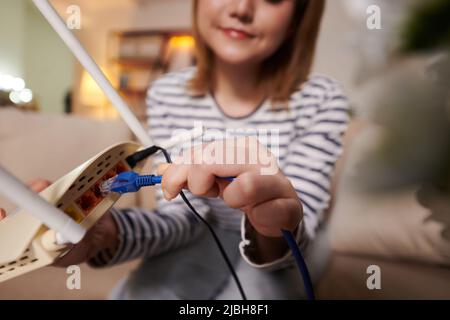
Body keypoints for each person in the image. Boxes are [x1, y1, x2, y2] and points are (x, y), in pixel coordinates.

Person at [0, 0, 350, 299]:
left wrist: (273, 226)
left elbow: (300, 232)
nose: (242, 8)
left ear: (300, 14)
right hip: (201, 231)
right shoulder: (167, 94)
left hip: (280, 249)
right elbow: (180, 219)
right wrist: (104, 232)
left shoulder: (322, 100)